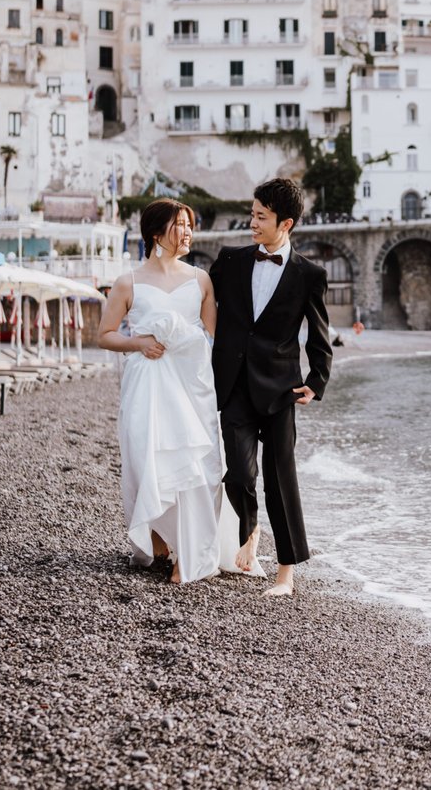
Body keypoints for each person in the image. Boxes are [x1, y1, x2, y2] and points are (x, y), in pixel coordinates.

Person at [97, 198, 247, 584]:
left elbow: (212, 337)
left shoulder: (200, 280)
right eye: (180, 224)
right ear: (155, 231)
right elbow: (105, 335)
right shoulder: (128, 281)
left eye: (189, 225)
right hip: (146, 381)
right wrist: (141, 343)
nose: (187, 232)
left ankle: (189, 551)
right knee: (145, 457)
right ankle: (159, 535)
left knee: (195, 465)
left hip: (191, 383)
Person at [210, 178, 333, 597]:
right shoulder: (229, 260)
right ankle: (249, 527)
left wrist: (317, 381)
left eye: (261, 217)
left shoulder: (309, 274)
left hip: (282, 390)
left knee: (281, 481)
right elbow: (203, 307)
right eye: (252, 214)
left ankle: (285, 575)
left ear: (287, 223)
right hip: (234, 385)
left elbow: (319, 333)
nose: (252, 223)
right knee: (239, 473)